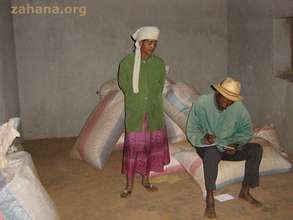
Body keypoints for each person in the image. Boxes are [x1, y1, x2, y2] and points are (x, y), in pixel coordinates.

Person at [186, 77, 263, 218]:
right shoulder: (202, 103)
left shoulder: (238, 108)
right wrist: (204, 138)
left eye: (231, 102)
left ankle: (245, 191)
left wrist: (236, 143)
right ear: (218, 93)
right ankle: (210, 200)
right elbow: (191, 130)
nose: (228, 104)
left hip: (228, 146)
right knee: (212, 153)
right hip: (207, 145)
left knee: (256, 149)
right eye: (226, 100)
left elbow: (246, 131)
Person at [118, 26, 170, 198]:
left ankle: (146, 180)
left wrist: (151, 100)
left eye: (155, 43)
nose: (152, 46)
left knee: (149, 147)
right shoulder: (127, 62)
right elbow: (124, 84)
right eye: (149, 42)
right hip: (136, 113)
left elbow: (160, 85)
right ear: (140, 43)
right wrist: (137, 98)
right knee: (133, 148)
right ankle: (129, 184)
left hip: (154, 113)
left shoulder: (159, 63)